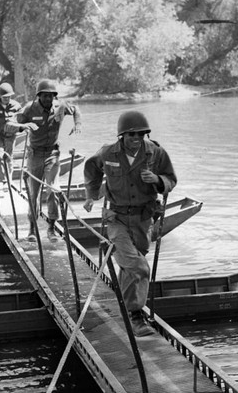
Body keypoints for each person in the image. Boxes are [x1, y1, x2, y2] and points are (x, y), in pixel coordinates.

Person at [83, 111, 177, 337]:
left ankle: (128, 312)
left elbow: (171, 179)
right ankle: (136, 315)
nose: (137, 138)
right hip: (116, 219)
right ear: (122, 136)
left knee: (130, 267)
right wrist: (90, 195)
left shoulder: (155, 152)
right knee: (139, 267)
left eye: (141, 134)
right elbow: (91, 168)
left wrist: (158, 180)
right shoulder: (108, 153)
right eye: (132, 134)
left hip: (144, 219)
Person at [5, 79, 82, 242]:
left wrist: (77, 124)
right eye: (44, 96)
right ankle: (32, 229)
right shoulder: (29, 108)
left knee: (53, 190)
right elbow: (8, 124)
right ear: (39, 96)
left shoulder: (60, 107)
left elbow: (76, 110)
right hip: (34, 155)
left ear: (54, 96)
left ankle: (51, 227)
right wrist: (23, 126)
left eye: (51, 96)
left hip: (52, 155)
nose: (48, 99)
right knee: (34, 194)